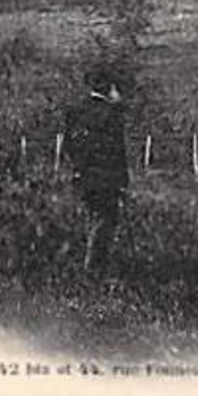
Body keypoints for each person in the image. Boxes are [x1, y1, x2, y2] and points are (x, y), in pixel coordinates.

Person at [63, 69, 130, 274]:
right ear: (110, 89)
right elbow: (116, 152)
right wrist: (123, 179)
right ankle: (93, 271)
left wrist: (78, 167)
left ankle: (89, 266)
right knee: (105, 222)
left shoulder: (76, 110)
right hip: (106, 179)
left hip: (83, 176)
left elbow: (69, 144)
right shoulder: (112, 114)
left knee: (91, 220)